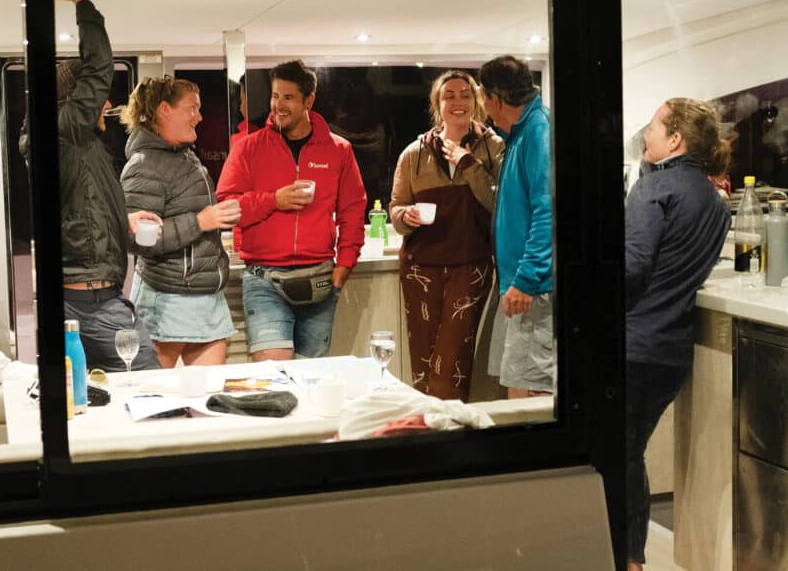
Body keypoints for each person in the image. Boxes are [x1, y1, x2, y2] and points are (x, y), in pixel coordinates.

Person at [624, 98, 731, 571]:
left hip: (631, 345)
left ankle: (626, 557)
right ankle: (632, 558)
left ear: (674, 140)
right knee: (630, 452)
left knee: (616, 456)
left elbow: (632, 267)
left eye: (652, 126)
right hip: (671, 352)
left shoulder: (653, 189)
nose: (645, 134)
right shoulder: (716, 202)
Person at [216, 60, 367, 361]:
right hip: (264, 280)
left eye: (288, 97)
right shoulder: (248, 148)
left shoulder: (339, 150)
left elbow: (353, 212)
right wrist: (274, 200)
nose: (278, 106)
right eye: (274, 96)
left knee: (312, 378)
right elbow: (227, 208)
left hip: (320, 280)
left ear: (308, 100)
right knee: (275, 377)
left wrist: (342, 269)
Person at [54, 0, 160, 372]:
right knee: (149, 382)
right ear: (75, 100)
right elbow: (99, 66)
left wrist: (124, 222)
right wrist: (82, 1)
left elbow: (83, 211)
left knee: (91, 399)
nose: (109, 105)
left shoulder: (81, 147)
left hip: (90, 297)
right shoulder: (66, 131)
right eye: (100, 97)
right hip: (96, 305)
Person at [390, 70, 504, 400]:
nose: (457, 101)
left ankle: (449, 440)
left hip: (470, 266)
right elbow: (397, 208)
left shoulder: (494, 148)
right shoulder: (413, 153)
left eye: (464, 94)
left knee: (449, 364)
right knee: (424, 368)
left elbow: (500, 203)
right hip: (420, 267)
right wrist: (405, 217)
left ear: (477, 101)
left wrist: (468, 164)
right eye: (449, 95)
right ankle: (432, 439)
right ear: (437, 105)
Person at [120, 76, 241, 367]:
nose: (199, 117)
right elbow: (141, 241)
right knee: (158, 400)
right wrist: (200, 221)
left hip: (207, 296)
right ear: (165, 110)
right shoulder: (143, 166)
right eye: (192, 108)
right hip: (167, 300)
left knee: (210, 399)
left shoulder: (186, 157)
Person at [478, 55, 554, 398]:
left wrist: (526, 279)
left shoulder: (538, 131)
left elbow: (548, 211)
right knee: (518, 386)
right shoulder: (520, 132)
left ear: (494, 97)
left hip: (532, 288)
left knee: (533, 397)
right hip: (519, 285)